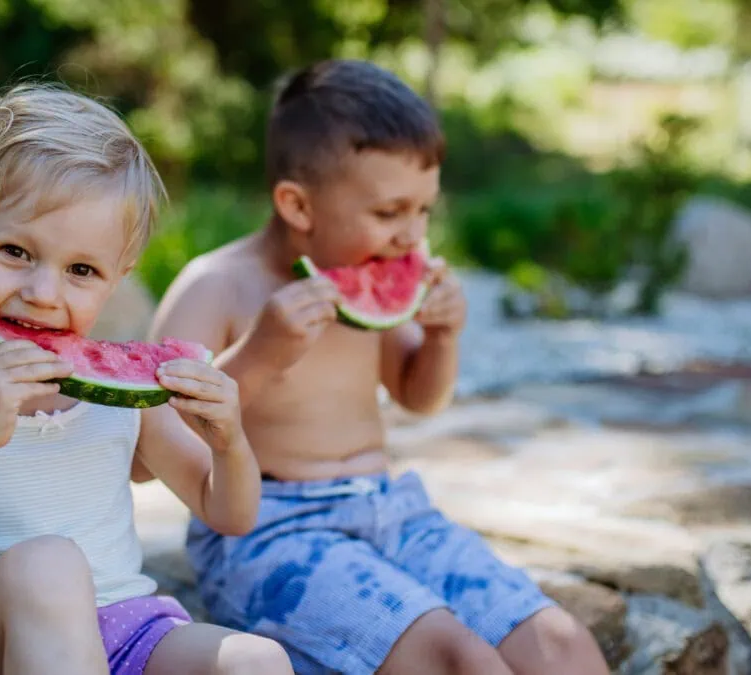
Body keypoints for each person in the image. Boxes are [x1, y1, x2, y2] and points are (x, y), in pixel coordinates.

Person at [147, 60, 610, 675]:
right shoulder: (218, 286)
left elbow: (417, 394)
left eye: (424, 210)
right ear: (297, 205)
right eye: (391, 212)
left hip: (392, 509)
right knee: (456, 658)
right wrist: (259, 356)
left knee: (562, 645)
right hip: (269, 531)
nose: (411, 236)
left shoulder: (366, 272)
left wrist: (443, 337)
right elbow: (146, 447)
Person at [0, 82, 292, 675]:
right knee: (47, 566)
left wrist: (229, 443)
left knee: (257, 661)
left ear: (117, 278)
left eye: (80, 269)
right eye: (15, 252)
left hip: (125, 634)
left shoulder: (124, 401)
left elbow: (228, 513)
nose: (43, 294)